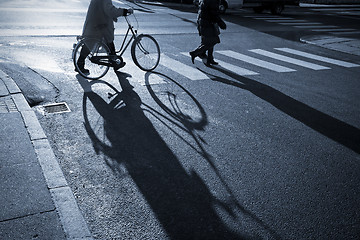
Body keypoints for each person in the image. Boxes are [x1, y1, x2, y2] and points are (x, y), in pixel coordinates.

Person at [76, 0, 133, 74]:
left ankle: (114, 62)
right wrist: (124, 11)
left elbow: (104, 9)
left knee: (97, 43)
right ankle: (80, 65)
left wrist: (115, 14)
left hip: (96, 23)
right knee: (93, 43)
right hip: (99, 25)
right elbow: (109, 10)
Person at [189, 0, 226, 66]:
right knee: (213, 40)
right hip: (208, 23)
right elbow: (213, 13)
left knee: (208, 41)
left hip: (203, 22)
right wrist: (221, 23)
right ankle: (196, 53)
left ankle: (209, 59)